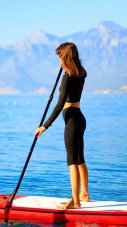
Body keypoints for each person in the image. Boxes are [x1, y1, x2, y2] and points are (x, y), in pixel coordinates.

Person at [34, 42, 89, 209]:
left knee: (72, 161)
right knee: (80, 159)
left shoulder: (67, 77)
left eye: (60, 57)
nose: (59, 61)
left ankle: (75, 202)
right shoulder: (81, 73)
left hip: (72, 121)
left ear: (65, 57)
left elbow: (59, 105)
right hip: (79, 118)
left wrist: (45, 125)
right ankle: (84, 194)